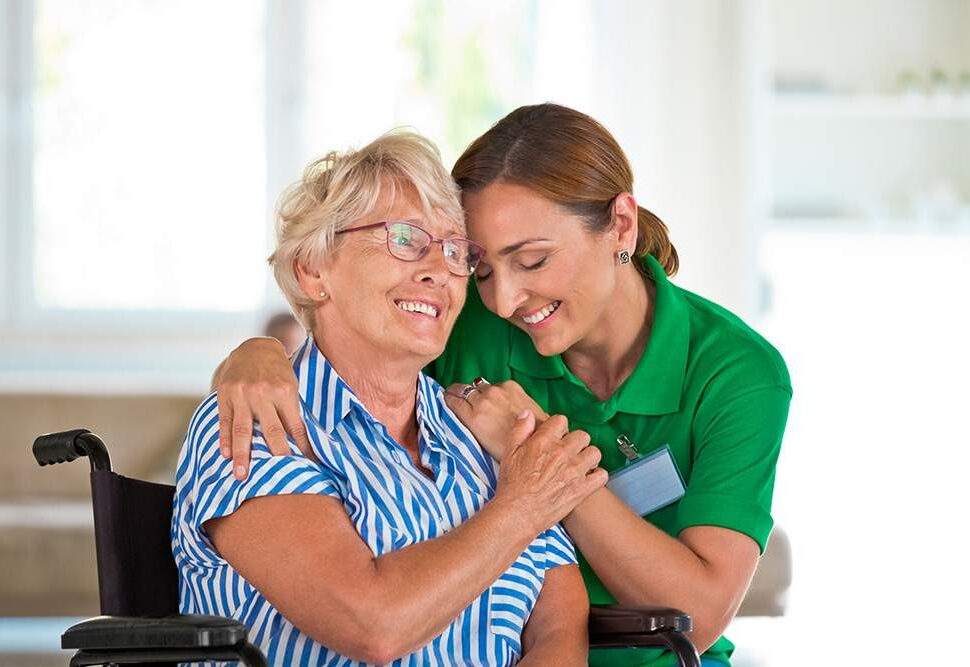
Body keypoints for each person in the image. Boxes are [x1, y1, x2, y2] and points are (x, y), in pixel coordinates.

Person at [215, 104, 791, 667]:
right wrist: (258, 353)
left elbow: (699, 612)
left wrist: (538, 456)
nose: (506, 299)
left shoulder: (737, 372)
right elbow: (350, 337)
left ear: (620, 224)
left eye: (534, 261)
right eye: (481, 269)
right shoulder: (469, 325)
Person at [172, 131, 607, 666]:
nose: (437, 269)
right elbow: (372, 623)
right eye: (404, 239)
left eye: (454, 251)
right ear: (312, 270)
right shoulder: (259, 422)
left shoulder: (470, 426)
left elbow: (560, 616)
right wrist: (521, 506)